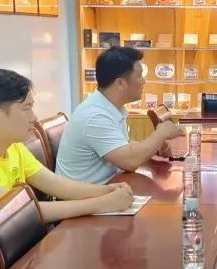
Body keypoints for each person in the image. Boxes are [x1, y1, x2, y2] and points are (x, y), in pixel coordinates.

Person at [0, 69, 134, 242]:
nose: (34, 117)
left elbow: (58, 186)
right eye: (26, 109)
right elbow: (19, 212)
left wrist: (106, 191)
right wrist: (102, 203)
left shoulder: (12, 146)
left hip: (0, 244)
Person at [55, 45, 185, 184]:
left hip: (107, 188)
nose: (144, 81)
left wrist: (154, 148)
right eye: (139, 76)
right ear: (121, 83)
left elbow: (123, 146)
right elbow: (130, 161)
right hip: (84, 195)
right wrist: (161, 134)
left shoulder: (112, 107)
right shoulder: (94, 116)